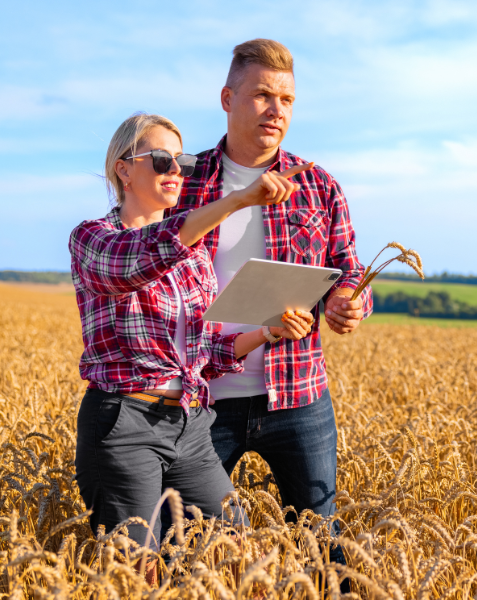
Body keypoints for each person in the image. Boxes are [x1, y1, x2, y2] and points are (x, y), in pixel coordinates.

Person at [70, 113, 315, 566]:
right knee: (137, 574)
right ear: (123, 169)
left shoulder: (195, 255)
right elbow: (140, 258)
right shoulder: (93, 240)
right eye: (161, 159)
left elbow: (203, 352)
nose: (176, 170)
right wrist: (238, 201)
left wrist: (266, 331)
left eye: (180, 160)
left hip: (191, 425)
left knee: (236, 559)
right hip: (123, 425)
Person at [170, 39, 373, 525]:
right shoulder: (183, 183)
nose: (276, 110)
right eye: (262, 95)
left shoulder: (318, 183)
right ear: (227, 99)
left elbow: (348, 268)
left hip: (300, 395)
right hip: (202, 399)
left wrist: (349, 301)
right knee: (192, 547)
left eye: (286, 100)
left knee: (321, 545)